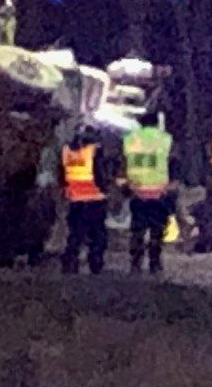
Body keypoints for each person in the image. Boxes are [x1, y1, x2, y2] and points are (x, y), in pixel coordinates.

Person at [122, 110, 177, 274]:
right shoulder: (165, 139)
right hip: (158, 192)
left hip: (136, 191)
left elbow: (123, 161)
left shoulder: (130, 139)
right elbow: (173, 161)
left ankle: (135, 263)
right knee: (156, 231)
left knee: (137, 229)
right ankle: (155, 263)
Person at [57, 130, 113, 274]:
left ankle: (70, 261)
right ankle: (95, 263)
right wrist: (106, 188)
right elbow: (99, 175)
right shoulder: (93, 152)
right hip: (94, 199)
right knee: (97, 234)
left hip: (75, 199)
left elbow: (62, 175)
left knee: (75, 233)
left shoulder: (68, 151)